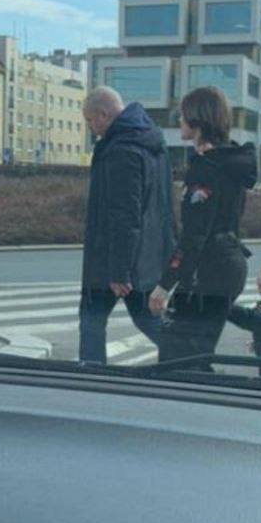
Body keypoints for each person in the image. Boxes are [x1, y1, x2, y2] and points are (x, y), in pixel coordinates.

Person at [150, 86, 256, 365]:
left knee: (179, 359)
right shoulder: (230, 162)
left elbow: (195, 235)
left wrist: (165, 284)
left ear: (197, 120)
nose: (179, 122)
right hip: (228, 264)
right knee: (193, 354)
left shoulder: (206, 168)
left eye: (182, 116)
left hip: (208, 273)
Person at [78, 86, 173, 364]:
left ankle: (92, 380)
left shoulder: (121, 150)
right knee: (147, 319)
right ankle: (192, 361)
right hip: (146, 256)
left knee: (92, 322)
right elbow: (163, 204)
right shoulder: (152, 142)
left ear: (103, 114)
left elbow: (124, 213)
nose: (91, 128)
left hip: (114, 260)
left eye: (90, 121)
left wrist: (120, 270)